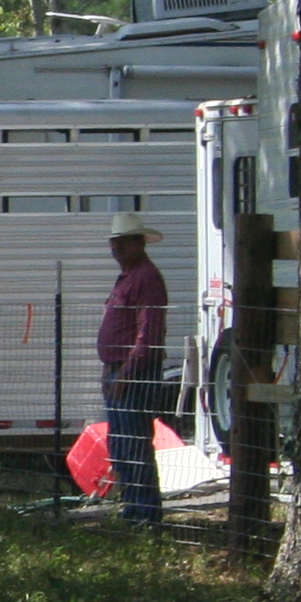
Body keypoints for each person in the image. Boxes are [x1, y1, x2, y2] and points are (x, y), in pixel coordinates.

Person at [98, 210, 171, 527]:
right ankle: (132, 510)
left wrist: (125, 373)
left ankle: (145, 514)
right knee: (121, 443)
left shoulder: (146, 278)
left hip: (133, 374)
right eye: (115, 243)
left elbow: (148, 335)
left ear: (139, 243)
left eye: (123, 243)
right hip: (118, 370)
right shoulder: (129, 276)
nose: (116, 249)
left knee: (134, 442)